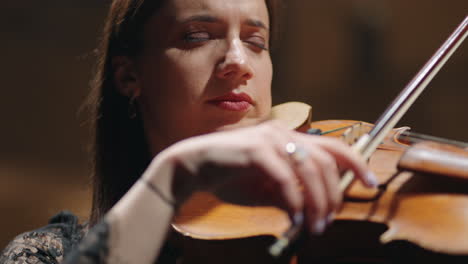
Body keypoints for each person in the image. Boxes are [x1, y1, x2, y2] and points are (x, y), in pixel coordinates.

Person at [0, 0, 377, 263]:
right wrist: (170, 178)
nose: (239, 63)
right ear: (130, 76)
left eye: (255, 42)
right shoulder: (47, 253)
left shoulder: (314, 242)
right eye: (197, 36)